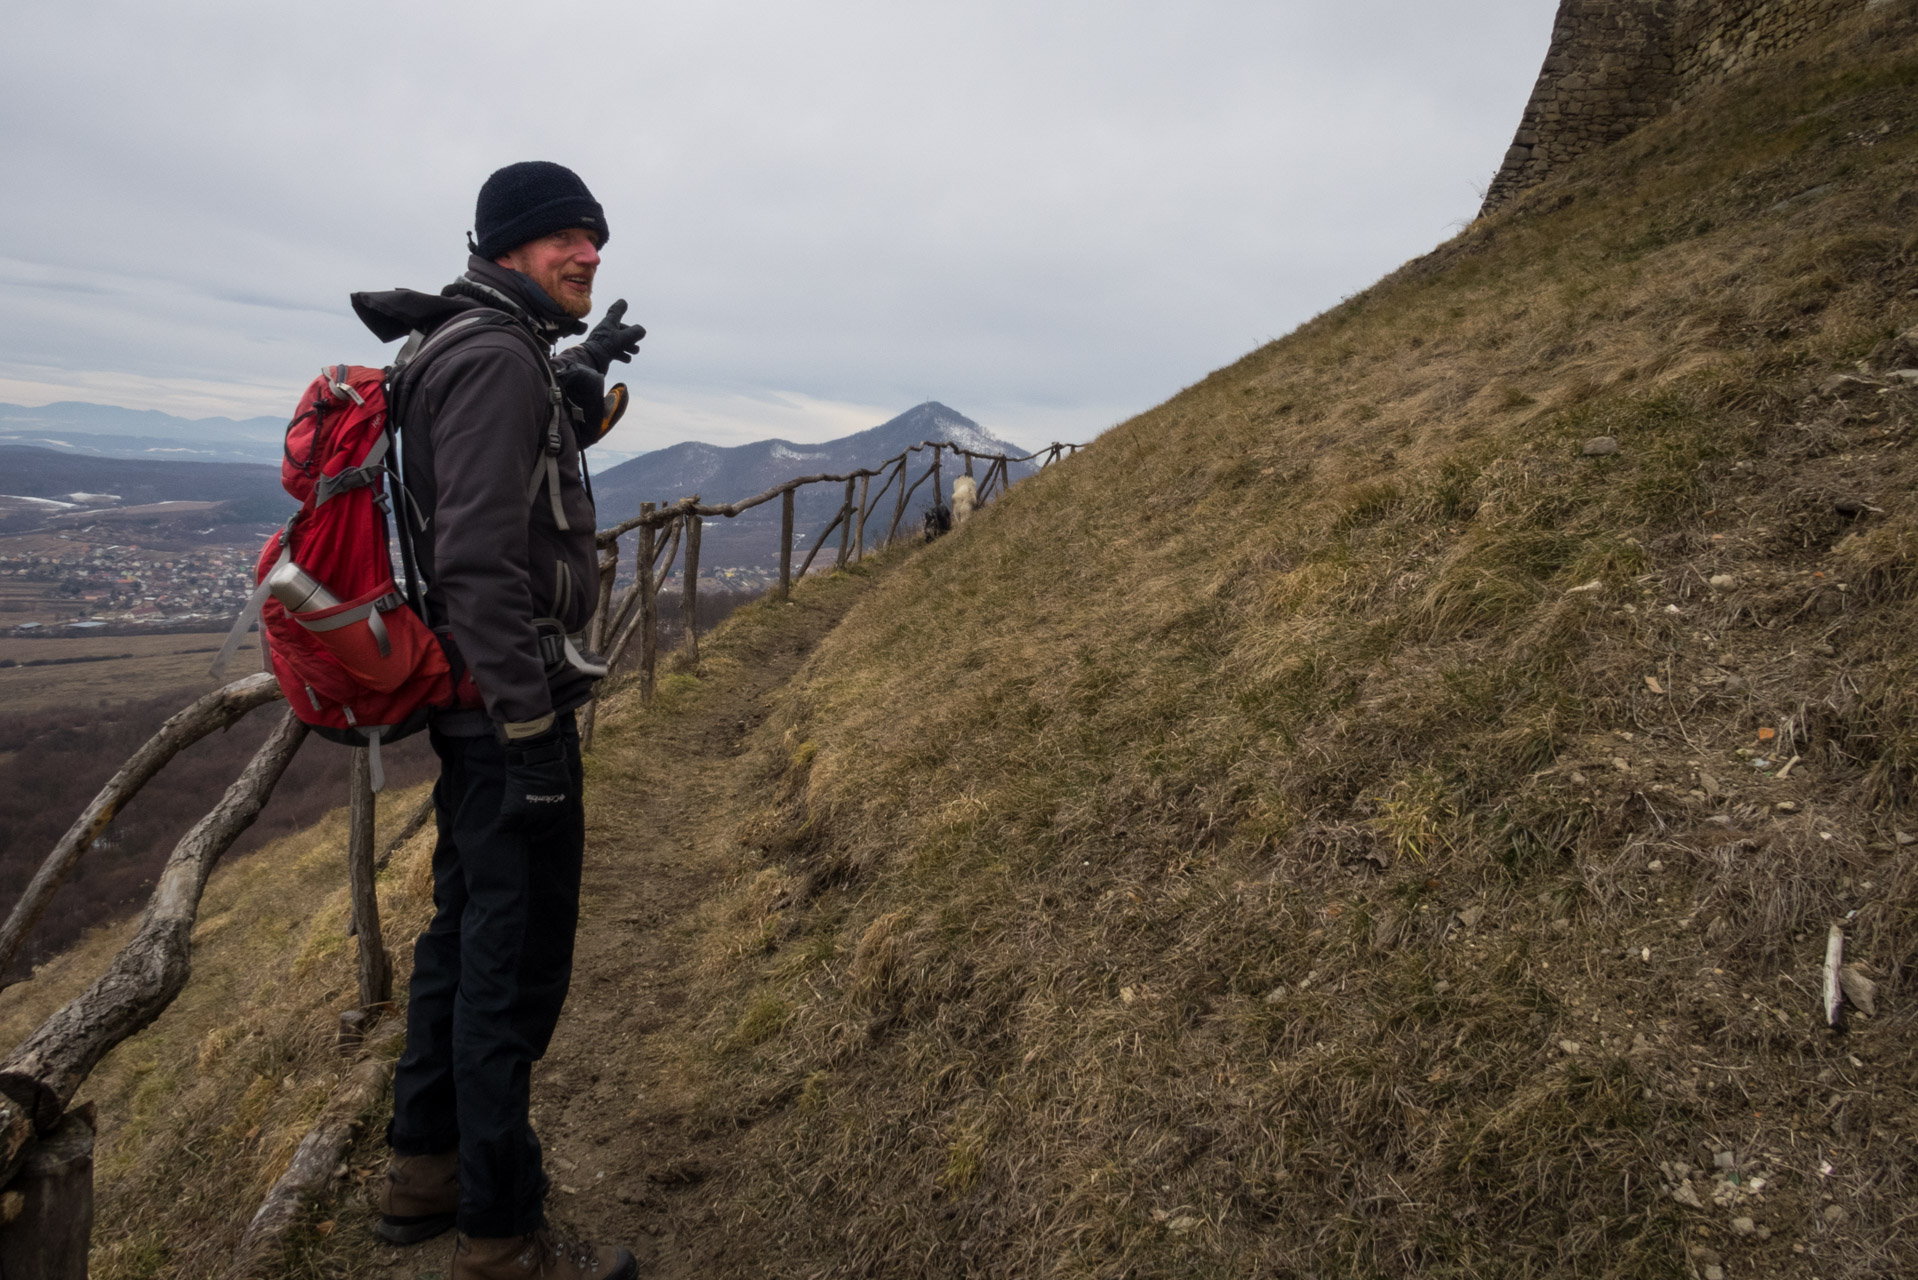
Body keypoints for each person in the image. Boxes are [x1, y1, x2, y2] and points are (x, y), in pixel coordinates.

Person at [349, 161, 647, 1280]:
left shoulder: (479, 341)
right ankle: (502, 1235)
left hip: (480, 711)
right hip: (504, 715)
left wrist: (581, 370)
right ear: (509, 246)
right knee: (509, 970)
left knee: (462, 936)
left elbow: (504, 477)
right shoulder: (487, 357)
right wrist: (529, 735)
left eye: (595, 237)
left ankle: (421, 1172)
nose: (588, 253)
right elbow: (475, 557)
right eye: (565, 237)